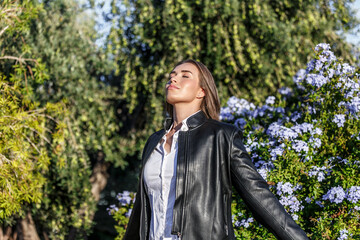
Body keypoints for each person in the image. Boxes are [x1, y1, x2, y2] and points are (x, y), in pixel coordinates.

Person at [123, 59, 309, 240]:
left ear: (201, 91)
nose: (173, 79)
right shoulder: (154, 142)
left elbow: (259, 196)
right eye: (172, 75)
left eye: (185, 76)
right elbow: (141, 212)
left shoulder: (221, 136)